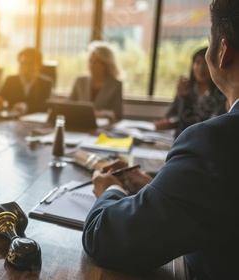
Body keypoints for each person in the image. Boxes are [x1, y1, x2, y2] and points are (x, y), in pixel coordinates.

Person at [82, 1, 239, 278]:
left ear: (222, 52)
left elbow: (106, 238)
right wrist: (157, 186)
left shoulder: (216, 140)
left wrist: (110, 189)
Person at [154, 47, 227, 138]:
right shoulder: (186, 89)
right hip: (178, 138)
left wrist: (173, 123)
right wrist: (169, 122)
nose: (201, 68)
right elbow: (171, 115)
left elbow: (208, 124)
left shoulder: (220, 95)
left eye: (206, 63)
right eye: (197, 62)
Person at [69, 41, 123, 120]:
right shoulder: (80, 81)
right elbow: (69, 106)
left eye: (96, 62)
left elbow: (117, 114)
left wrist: (99, 114)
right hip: (80, 125)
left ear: (105, 64)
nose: (92, 65)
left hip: (103, 129)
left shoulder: (115, 85)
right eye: (91, 61)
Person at [0, 48, 52, 115]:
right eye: (22, 63)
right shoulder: (10, 80)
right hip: (12, 120)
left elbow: (45, 106)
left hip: (35, 122)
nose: (25, 68)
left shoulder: (46, 83)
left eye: (29, 64)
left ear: (39, 65)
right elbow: (0, 96)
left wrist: (25, 107)